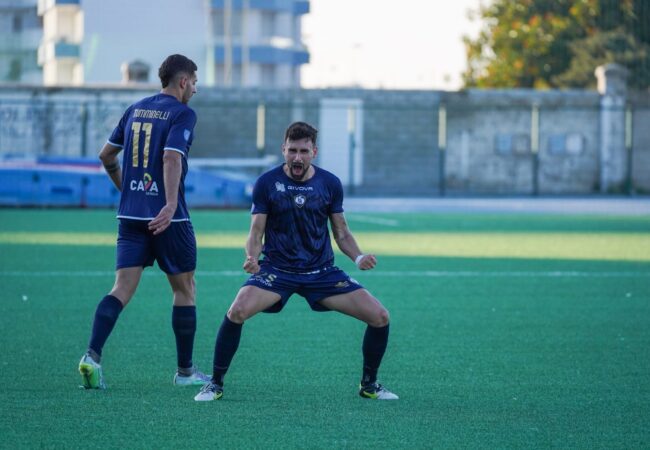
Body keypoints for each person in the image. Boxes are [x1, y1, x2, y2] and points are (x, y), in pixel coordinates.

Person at [194, 121, 398, 401]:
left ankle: (369, 385)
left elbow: (341, 232)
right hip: (277, 271)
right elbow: (256, 232)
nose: (297, 157)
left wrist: (359, 256)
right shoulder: (267, 183)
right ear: (283, 150)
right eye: (292, 150)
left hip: (322, 272)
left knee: (380, 316)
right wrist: (251, 257)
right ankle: (215, 383)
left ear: (314, 152)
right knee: (237, 310)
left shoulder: (329, 183)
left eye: (303, 151)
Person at [78, 54, 210, 389]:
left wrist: (126, 189)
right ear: (183, 81)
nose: (195, 90)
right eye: (194, 82)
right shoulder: (182, 113)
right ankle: (185, 373)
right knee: (185, 289)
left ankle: (92, 356)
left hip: (130, 215)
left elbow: (106, 155)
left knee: (121, 288)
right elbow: (171, 157)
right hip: (169, 219)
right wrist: (169, 204)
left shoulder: (135, 109)